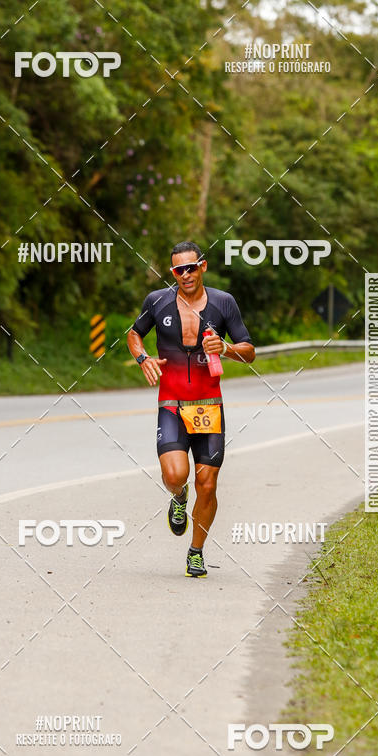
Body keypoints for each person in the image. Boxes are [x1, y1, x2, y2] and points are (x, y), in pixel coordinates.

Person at [127, 241, 255, 577]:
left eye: (191, 267)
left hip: (209, 404)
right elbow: (133, 334)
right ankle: (178, 497)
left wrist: (225, 348)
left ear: (202, 267)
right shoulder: (157, 301)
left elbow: (249, 351)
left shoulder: (224, 303)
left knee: (209, 484)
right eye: (178, 270)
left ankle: (196, 551)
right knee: (175, 475)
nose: (185, 274)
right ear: (173, 273)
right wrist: (142, 358)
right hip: (171, 403)